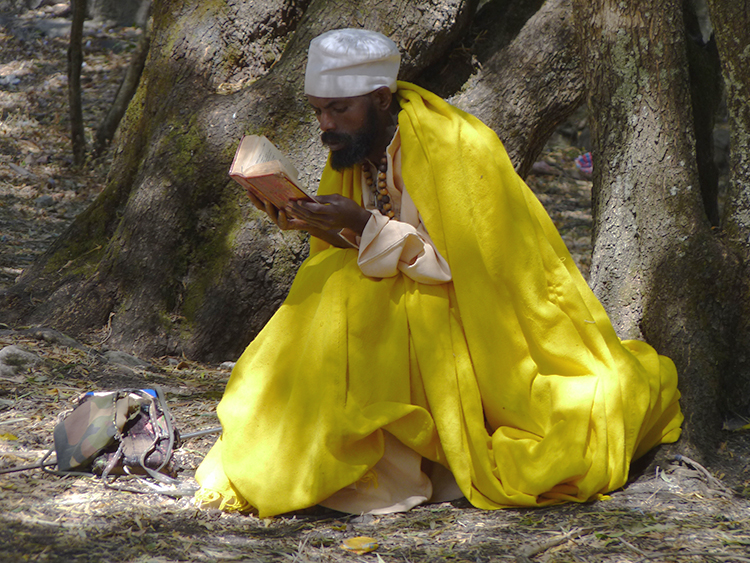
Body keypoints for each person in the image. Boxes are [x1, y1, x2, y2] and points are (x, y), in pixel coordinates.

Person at [195, 29, 683, 518]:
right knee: (329, 282)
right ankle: (300, 448)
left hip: (476, 320)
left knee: (348, 291)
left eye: (338, 110)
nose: (326, 124)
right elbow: (372, 250)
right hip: (409, 301)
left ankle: (373, 461)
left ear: (381, 98)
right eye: (318, 110)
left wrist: (361, 224)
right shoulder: (357, 147)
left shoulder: (455, 146)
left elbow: (462, 268)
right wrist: (311, 220)